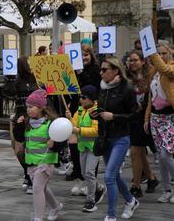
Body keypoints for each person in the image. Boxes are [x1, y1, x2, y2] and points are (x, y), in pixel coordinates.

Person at [90, 57, 139, 221]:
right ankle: (130, 201)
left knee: (109, 176)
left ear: (115, 70)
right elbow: (103, 108)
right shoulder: (103, 87)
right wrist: (95, 114)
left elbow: (135, 114)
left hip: (121, 138)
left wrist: (114, 116)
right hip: (105, 138)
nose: (101, 72)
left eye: (104, 70)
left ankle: (111, 215)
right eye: (101, 69)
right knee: (115, 176)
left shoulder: (127, 88)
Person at [13, 89, 63, 221]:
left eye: (31, 107)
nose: (28, 110)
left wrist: (55, 144)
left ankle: (37, 218)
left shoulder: (50, 123)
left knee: (37, 188)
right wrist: (18, 126)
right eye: (27, 107)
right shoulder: (27, 123)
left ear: (41, 107)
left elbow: (61, 142)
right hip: (32, 162)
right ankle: (56, 206)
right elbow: (19, 138)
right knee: (43, 188)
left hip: (46, 162)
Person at [66, 85, 105, 213]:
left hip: (94, 147)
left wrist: (79, 130)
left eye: (84, 97)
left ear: (92, 99)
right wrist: (69, 119)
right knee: (83, 173)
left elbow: (96, 130)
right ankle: (99, 188)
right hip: (83, 146)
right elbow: (74, 125)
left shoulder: (96, 111)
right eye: (80, 97)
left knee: (89, 172)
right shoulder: (80, 110)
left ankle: (90, 201)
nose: (81, 99)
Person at [126, 50, 159, 198]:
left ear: (143, 61)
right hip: (132, 117)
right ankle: (151, 178)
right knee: (139, 151)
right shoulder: (127, 77)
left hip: (145, 117)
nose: (132, 63)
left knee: (135, 151)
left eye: (135, 60)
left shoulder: (150, 75)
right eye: (130, 60)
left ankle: (136, 185)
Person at [144, 43, 174, 204]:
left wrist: (153, 54)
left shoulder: (171, 69)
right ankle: (167, 189)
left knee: (166, 154)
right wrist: (147, 118)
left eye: (164, 53)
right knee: (161, 158)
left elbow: (166, 70)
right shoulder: (154, 73)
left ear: (170, 54)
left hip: (170, 117)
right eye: (159, 53)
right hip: (156, 117)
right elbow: (151, 98)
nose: (161, 56)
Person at [8, 56, 39, 194]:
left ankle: (31, 178)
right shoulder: (16, 81)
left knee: (30, 148)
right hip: (19, 117)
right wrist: (8, 80)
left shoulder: (36, 80)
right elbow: (7, 93)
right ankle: (27, 172)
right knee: (18, 149)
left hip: (33, 118)